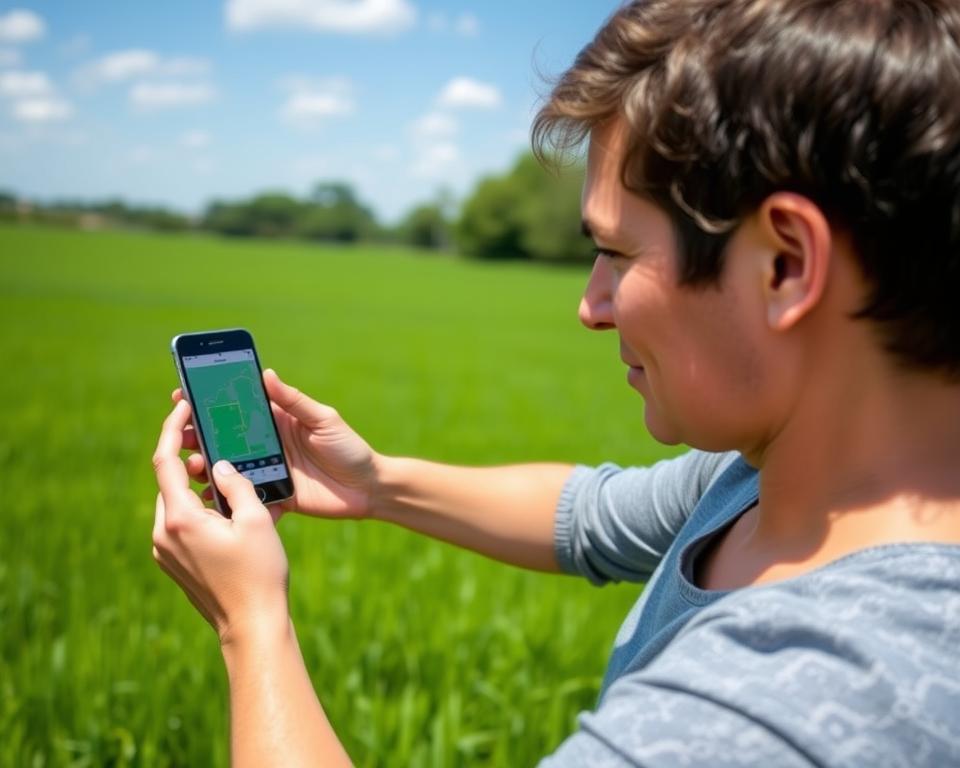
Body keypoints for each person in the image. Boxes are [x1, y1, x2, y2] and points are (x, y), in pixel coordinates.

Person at [151, 0, 960, 764]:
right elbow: (595, 517)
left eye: (616, 253)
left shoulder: (784, 705)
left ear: (785, 265)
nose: (590, 306)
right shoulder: (771, 483)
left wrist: (250, 625)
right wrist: (377, 483)